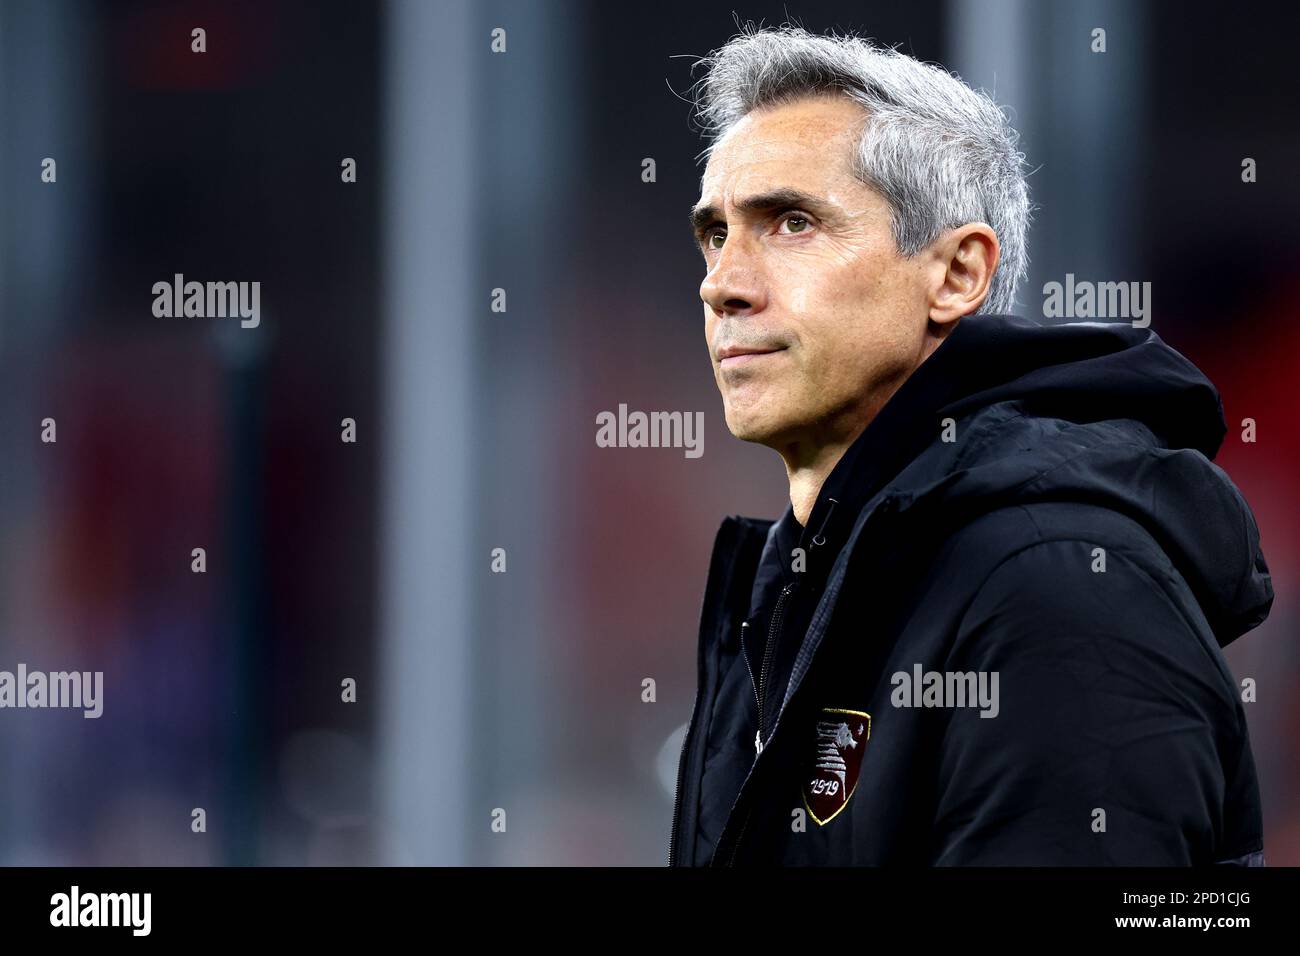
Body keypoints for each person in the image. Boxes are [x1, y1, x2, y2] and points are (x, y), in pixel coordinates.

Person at [668, 24, 1272, 866]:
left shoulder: (1059, 588)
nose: (722, 282)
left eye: (791, 223)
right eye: (715, 233)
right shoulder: (798, 589)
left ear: (956, 274)